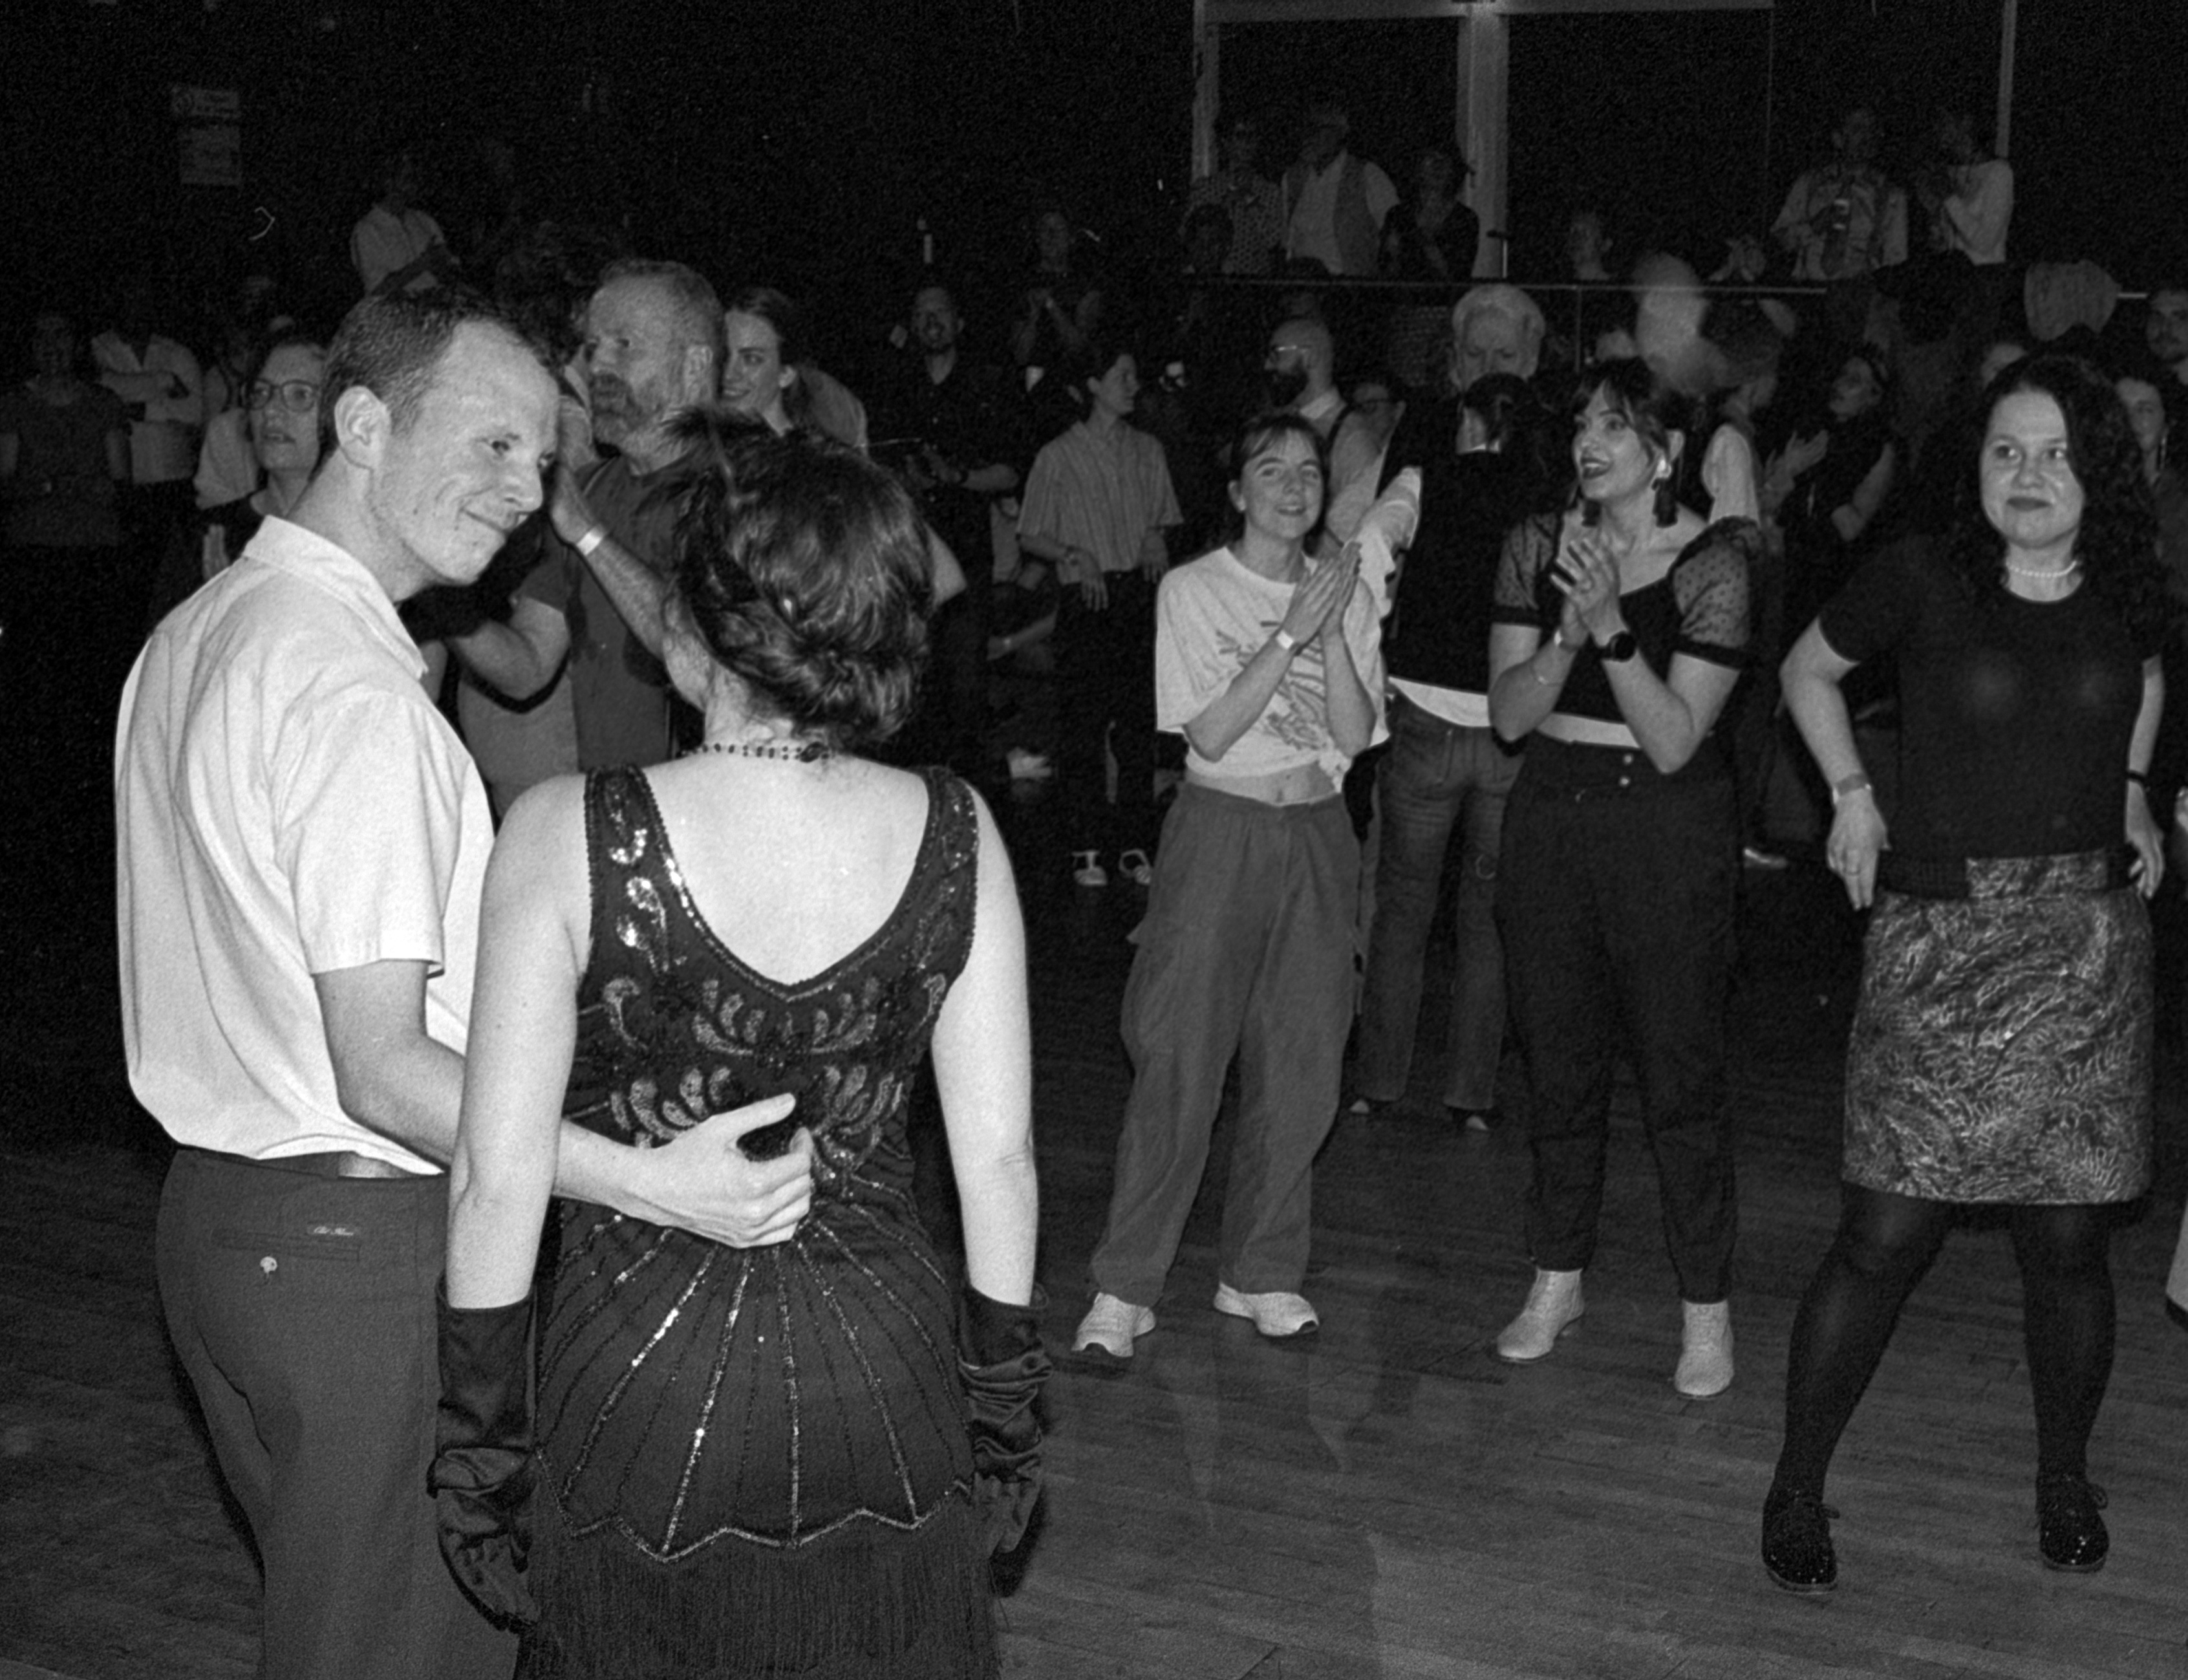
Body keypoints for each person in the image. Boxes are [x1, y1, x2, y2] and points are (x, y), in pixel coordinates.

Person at [116, 288, 808, 1679]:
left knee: (348, 1627)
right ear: (365, 425)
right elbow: (384, 1068)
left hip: (219, 1230)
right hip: (359, 1252)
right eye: (491, 443)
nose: (524, 490)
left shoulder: (203, 628)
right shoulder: (354, 694)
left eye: (541, 460)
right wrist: (652, 1182)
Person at [438, 422, 1042, 1677]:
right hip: (886, 1385)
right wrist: (1003, 1420)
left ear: (695, 618)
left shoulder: (559, 831)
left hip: (637, 1396)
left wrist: (481, 1454)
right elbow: (999, 1162)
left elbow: (496, 1175)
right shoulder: (957, 827)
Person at [1762, 353, 2171, 1592]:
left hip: (2083, 952)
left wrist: (2131, 788)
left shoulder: (2128, 586)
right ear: (1975, 468)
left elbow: (2145, 675)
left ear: (2093, 472)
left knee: (2066, 1243)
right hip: (1938, 943)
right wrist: (1848, 792)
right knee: (1880, 1234)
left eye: (2052, 453)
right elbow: (1802, 669)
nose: (2026, 474)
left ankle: (2063, 1478)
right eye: (2004, 451)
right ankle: (1793, 1485)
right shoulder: (1920, 575)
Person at [1072, 412, 1382, 1360]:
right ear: (1240, 491)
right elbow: (1207, 733)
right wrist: (1291, 633)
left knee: (1303, 1064)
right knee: (1180, 1057)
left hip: (1318, 832)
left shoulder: (1347, 588)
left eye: (1309, 471)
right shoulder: (1194, 588)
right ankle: (1125, 1286)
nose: (1294, 486)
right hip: (1220, 831)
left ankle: (1261, 1272)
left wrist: (1331, 628)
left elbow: (1355, 732)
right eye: (1271, 470)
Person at [1485, 358, 1757, 1399]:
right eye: (1582, 425)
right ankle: (1556, 1279)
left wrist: (1609, 623)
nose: (1589, 444)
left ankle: (1706, 1308)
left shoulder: (1716, 562)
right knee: (1558, 1066)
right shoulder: (1537, 542)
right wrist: (1568, 626)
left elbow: (1679, 737)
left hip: (1664, 823)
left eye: (1614, 425)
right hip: (1553, 810)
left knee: (1680, 1078)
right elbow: (1510, 715)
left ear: (1667, 449)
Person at [1349, 374, 1567, 1130]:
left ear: (1470, 422)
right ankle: (1472, 1096)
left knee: (1403, 910)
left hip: (1425, 716)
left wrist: (1378, 636)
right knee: (1488, 919)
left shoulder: (1427, 478)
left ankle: (1378, 1084)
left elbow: (1368, 545)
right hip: (1510, 728)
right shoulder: (1548, 499)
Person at [1014, 339, 1181, 888]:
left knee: (1136, 729)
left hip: (1134, 595)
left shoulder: (1148, 450)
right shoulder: (1058, 455)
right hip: (1086, 599)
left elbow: (1162, 518)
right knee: (1082, 728)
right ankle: (1085, 844)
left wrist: (1156, 536)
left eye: (1133, 376)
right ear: (1093, 385)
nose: (1132, 386)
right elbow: (1031, 532)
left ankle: (1134, 842)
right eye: (1121, 375)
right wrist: (1071, 552)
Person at [0, 310, 130, 808]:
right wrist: (52, 487)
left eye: (62, 336)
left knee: (91, 667)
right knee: (36, 668)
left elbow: (118, 481)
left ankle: (90, 776)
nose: (52, 346)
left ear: (78, 346)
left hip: (93, 549)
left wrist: (60, 485)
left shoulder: (103, 403)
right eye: (42, 337)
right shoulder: (15, 404)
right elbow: (9, 482)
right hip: (35, 550)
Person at [145, 332, 325, 629]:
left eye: (300, 395)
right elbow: (161, 649)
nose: (271, 409)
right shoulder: (206, 538)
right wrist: (211, 619)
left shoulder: (364, 541)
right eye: (261, 392)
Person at [1380, 141, 1483, 389]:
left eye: (1443, 162)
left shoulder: (1464, 219)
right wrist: (1393, 254)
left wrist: (1426, 238)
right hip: (1405, 314)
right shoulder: (1399, 215)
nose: (1437, 168)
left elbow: (1457, 275)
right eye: (1430, 160)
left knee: (1442, 384)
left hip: (1444, 313)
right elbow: (1386, 274)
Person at [1771, 107, 1910, 284]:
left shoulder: (1891, 195)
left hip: (1858, 293)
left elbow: (1896, 264)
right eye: (1858, 129)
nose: (1867, 136)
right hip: (1808, 290)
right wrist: (1813, 227)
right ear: (1838, 138)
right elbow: (1778, 245)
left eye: (1872, 129)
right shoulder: (1809, 184)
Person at [1284, 97, 1398, 279]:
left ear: (1341, 133)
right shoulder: (1294, 178)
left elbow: (1396, 231)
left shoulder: (1367, 174)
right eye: (1310, 127)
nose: (1314, 135)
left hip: (1348, 284)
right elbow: (1286, 240)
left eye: (1323, 128)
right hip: (1302, 284)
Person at [1186, 111, 1287, 277]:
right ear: (1226, 141)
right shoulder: (1205, 188)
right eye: (1241, 136)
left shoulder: (1269, 191)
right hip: (1213, 280)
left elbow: (1272, 239)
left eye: (1253, 136)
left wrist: (1249, 197)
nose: (1248, 142)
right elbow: (1189, 235)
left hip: (1252, 281)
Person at [351, 147, 458, 297]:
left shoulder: (424, 220)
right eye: (408, 178)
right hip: (398, 309)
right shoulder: (368, 230)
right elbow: (377, 292)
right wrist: (421, 265)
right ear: (389, 183)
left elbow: (452, 275)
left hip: (439, 303)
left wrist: (441, 265)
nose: (416, 184)